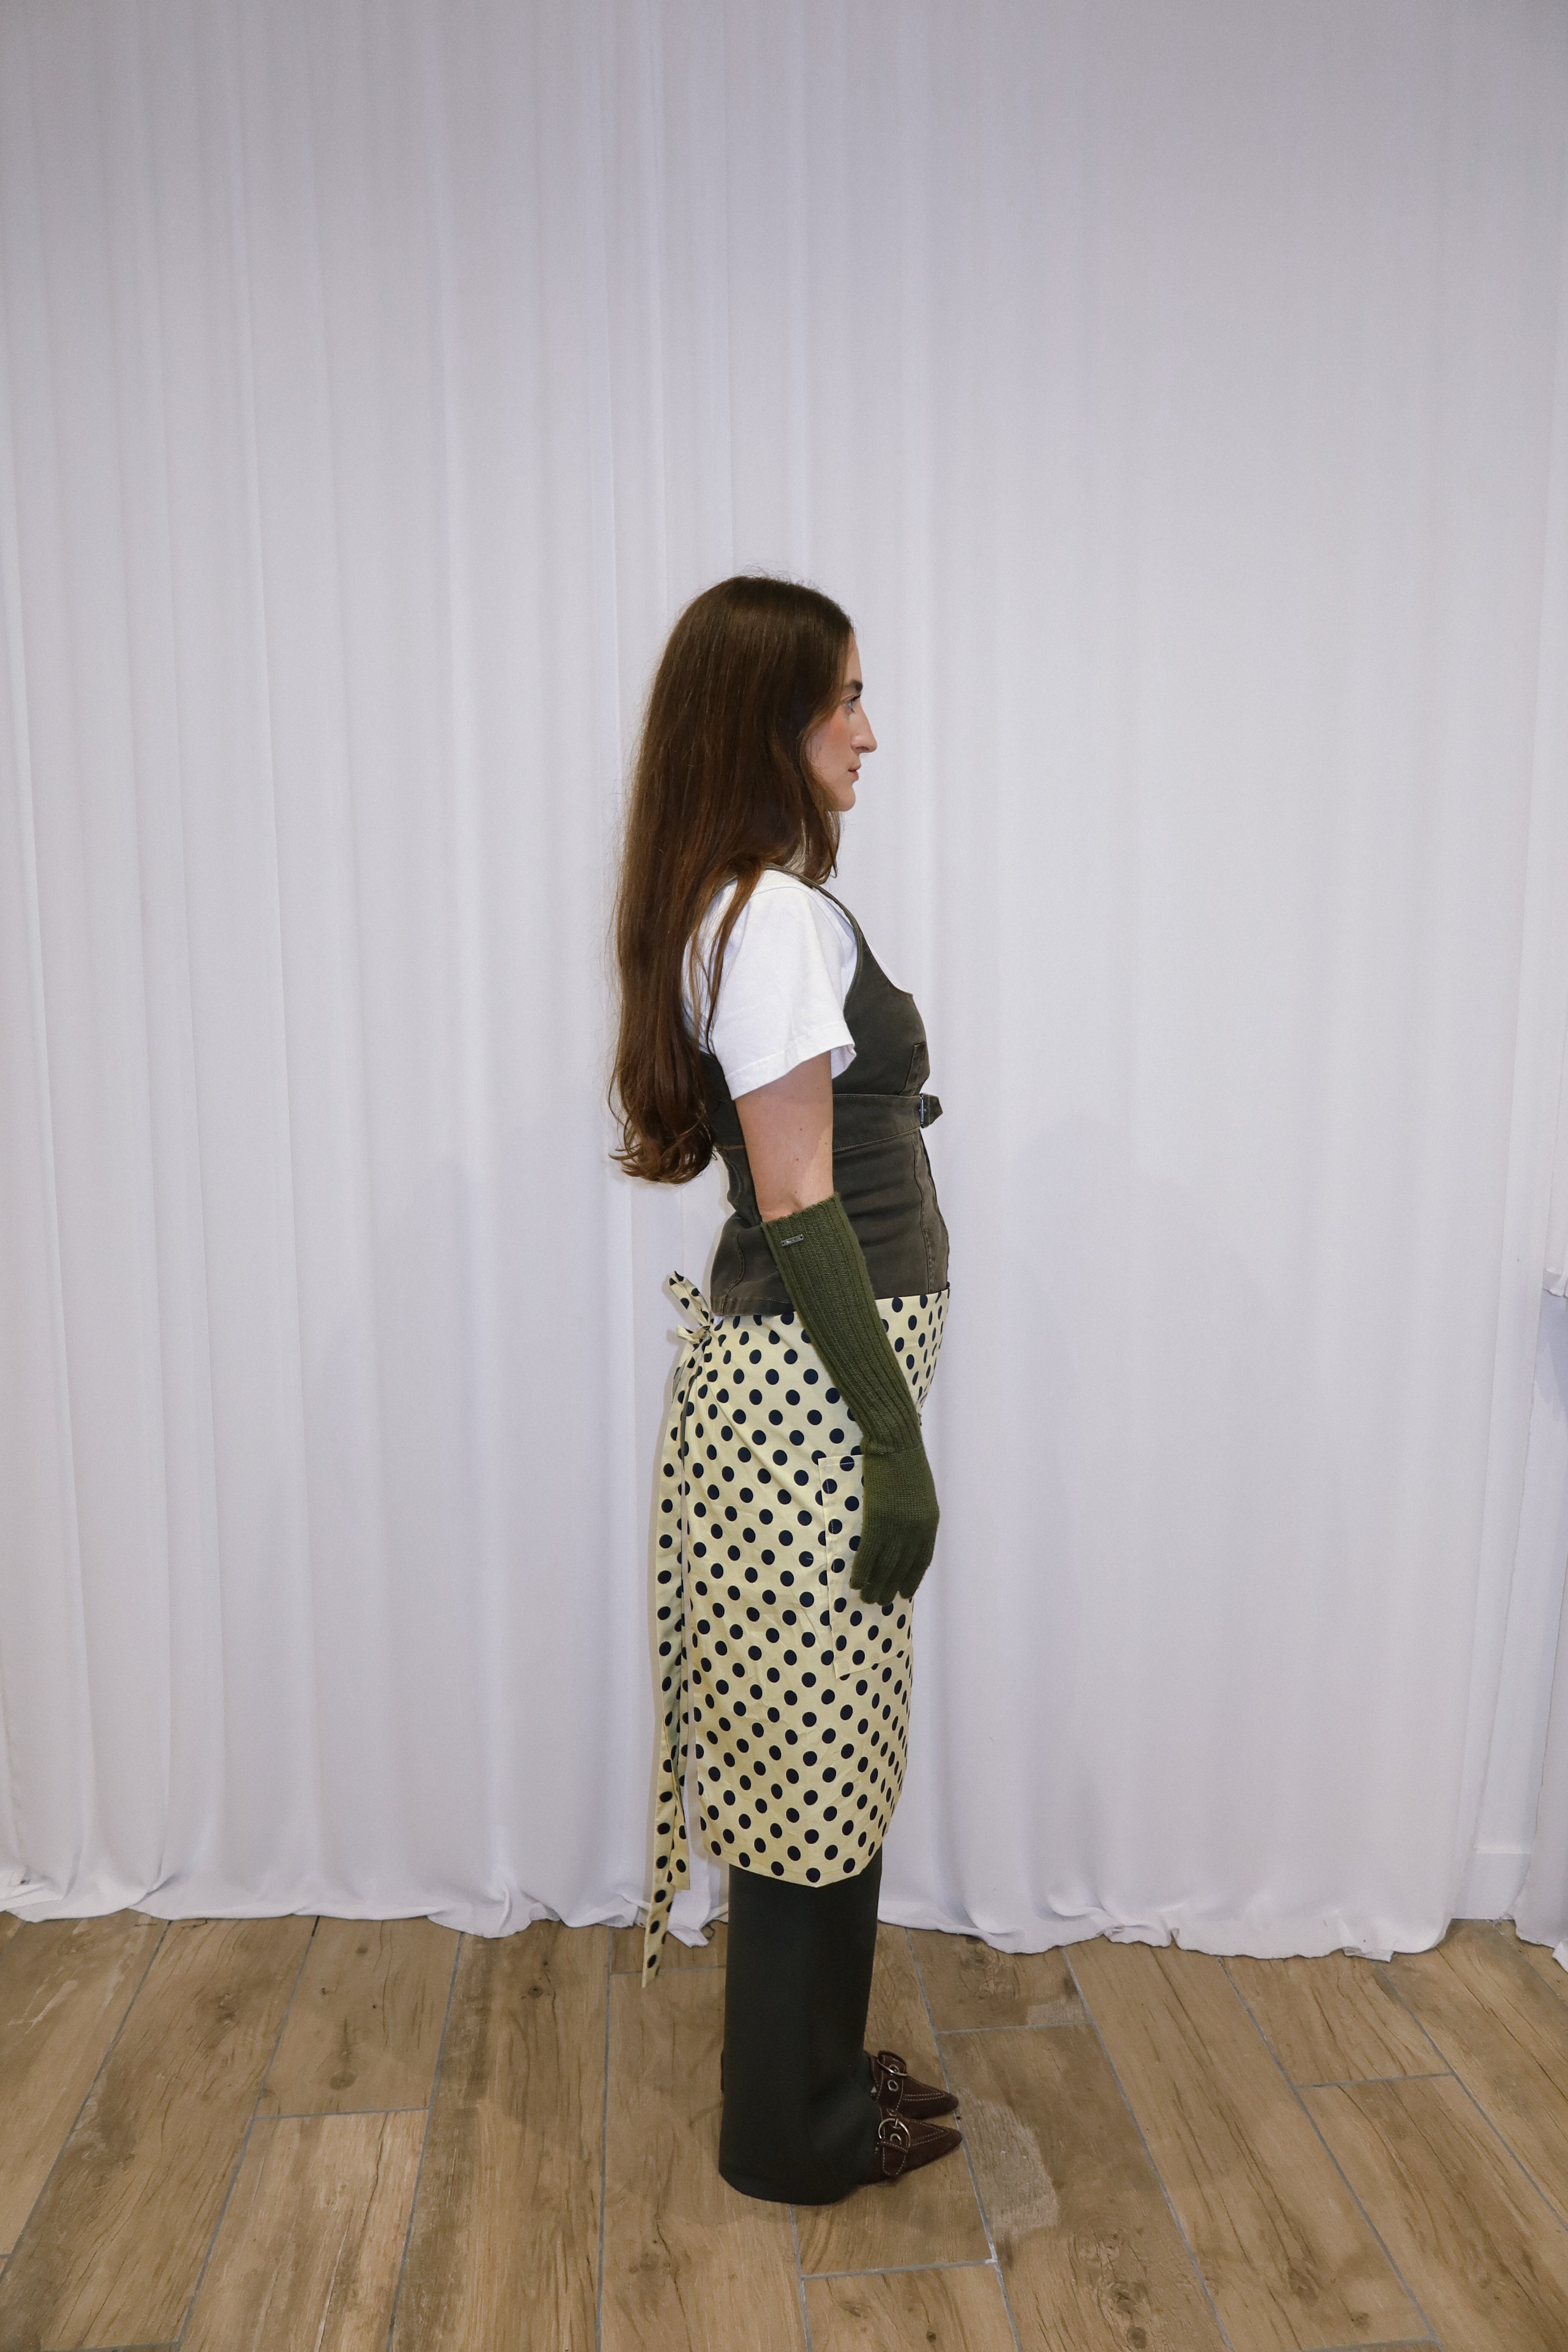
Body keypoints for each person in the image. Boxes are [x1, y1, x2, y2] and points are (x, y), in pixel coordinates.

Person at [611, 575, 960, 2202]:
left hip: (812, 1397)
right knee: (807, 1771)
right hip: (814, 1405)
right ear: (770, 725)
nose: (868, 733)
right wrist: (895, 1445)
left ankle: (823, 2069)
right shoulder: (771, 920)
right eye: (843, 704)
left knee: (829, 1754)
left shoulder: (756, 912)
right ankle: (792, 2136)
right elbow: (804, 1198)